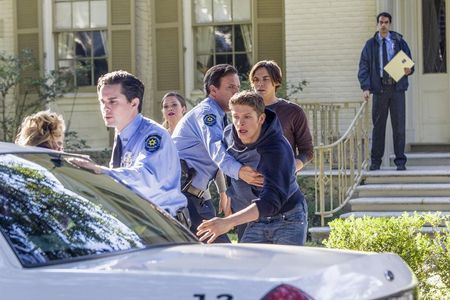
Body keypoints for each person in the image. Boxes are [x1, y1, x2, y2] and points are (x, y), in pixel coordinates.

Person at [71, 70, 189, 226]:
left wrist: (100, 171)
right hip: (138, 224)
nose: (105, 108)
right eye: (102, 102)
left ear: (134, 103)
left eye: (112, 101)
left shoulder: (153, 135)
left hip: (163, 227)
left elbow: (146, 178)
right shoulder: (122, 135)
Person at [197, 91, 308, 245]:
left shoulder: (277, 149)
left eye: (247, 117)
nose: (240, 123)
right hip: (256, 218)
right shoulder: (229, 134)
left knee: (284, 269)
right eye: (236, 117)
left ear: (261, 118)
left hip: (288, 217)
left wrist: (228, 222)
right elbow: (225, 161)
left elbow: (271, 201)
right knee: (247, 268)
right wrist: (230, 193)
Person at [172, 64, 263, 242]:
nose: (236, 92)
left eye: (238, 87)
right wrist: (239, 171)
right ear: (213, 90)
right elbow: (216, 149)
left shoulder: (221, 115)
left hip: (197, 197)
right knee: (219, 252)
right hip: (182, 196)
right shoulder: (207, 114)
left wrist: (224, 192)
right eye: (230, 87)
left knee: (214, 254)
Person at [358, 12, 413, 171]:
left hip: (397, 89)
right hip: (380, 89)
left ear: (390, 24)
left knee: (399, 127)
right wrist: (366, 87)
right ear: (377, 24)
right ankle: (376, 162)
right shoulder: (370, 45)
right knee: (378, 127)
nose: (383, 25)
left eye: (386, 22)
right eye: (381, 22)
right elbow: (364, 67)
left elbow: (409, 62)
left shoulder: (399, 41)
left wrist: (409, 70)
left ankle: (400, 162)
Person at [161, 91, 231, 217]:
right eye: (166, 106)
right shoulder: (161, 138)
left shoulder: (197, 130)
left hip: (201, 195)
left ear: (184, 108)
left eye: (174, 105)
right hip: (173, 198)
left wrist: (222, 192)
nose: (170, 108)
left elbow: (214, 158)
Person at [249, 60, 313, 173]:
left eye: (265, 79)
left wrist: (291, 168)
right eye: (256, 80)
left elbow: (307, 151)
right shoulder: (244, 111)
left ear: (276, 81)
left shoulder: (293, 111)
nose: (260, 84)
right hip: (249, 183)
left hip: (282, 183)